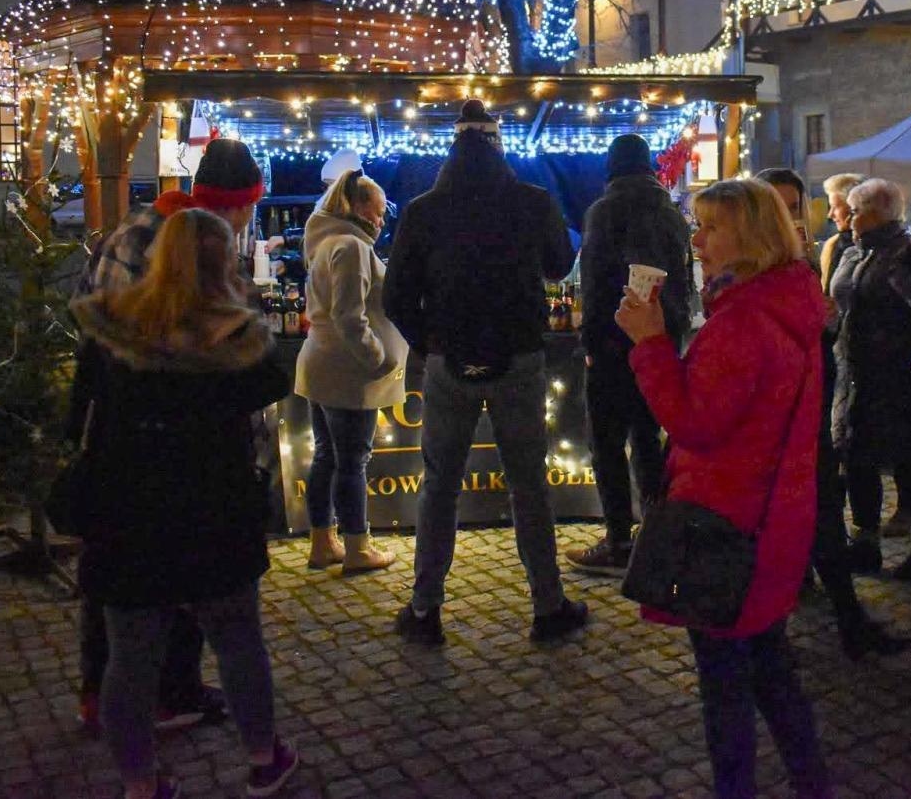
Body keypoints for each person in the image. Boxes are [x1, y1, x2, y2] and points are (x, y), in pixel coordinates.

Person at [68, 209, 299, 799]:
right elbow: (272, 385)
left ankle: (140, 784)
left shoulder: (111, 331)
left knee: (130, 656)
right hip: (212, 510)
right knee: (237, 640)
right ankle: (262, 757)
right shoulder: (236, 340)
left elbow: (77, 418)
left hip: (127, 510)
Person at [615, 177, 831, 799]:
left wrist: (650, 344)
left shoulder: (743, 323)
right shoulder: (789, 305)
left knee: (727, 689)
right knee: (770, 669)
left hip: (725, 526)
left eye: (711, 228)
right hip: (772, 518)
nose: (697, 241)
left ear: (751, 238)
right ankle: (812, 782)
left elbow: (694, 423)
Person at [73, 137, 269, 735]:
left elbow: (88, 319)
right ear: (238, 206)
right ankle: (173, 693)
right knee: (189, 578)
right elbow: (221, 357)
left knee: (117, 585)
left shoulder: (127, 229)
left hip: (115, 434)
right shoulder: (198, 249)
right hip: (177, 445)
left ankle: (101, 695)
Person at [384, 100, 588, 645]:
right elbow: (558, 265)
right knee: (529, 486)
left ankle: (425, 609)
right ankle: (548, 604)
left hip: (449, 362)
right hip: (518, 356)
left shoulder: (424, 211)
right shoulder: (533, 201)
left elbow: (395, 296)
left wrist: (430, 341)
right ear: (498, 147)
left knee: (439, 488)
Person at [758, 167, 907, 660]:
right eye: (777, 207)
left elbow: (821, 321)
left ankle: (846, 615)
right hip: (776, 410)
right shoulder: (752, 266)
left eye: (793, 206)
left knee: (822, 505)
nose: (788, 217)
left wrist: (822, 319)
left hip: (814, 400)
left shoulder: (801, 260)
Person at [567, 134, 693, 575]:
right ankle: (657, 535)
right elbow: (682, 283)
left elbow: (595, 285)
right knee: (648, 438)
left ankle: (619, 540)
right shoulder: (671, 214)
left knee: (606, 443)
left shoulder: (604, 211)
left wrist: (590, 342)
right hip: (661, 340)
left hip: (612, 343)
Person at [295, 169, 405, 574]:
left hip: (321, 362)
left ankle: (323, 541)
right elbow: (349, 316)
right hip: (347, 370)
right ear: (357, 207)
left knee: (327, 455)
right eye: (377, 211)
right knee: (353, 461)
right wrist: (379, 359)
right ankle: (358, 547)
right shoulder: (352, 247)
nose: (381, 220)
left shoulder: (325, 241)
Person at [827, 178, 911, 578]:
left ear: (877, 214)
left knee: (906, 457)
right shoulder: (854, 251)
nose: (848, 219)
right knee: (857, 455)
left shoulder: (906, 254)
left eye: (855, 212)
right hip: (853, 368)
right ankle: (865, 541)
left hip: (893, 372)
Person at [817, 173, 864, 295]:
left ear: (853, 207)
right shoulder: (832, 244)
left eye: (835, 207)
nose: (830, 215)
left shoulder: (869, 246)